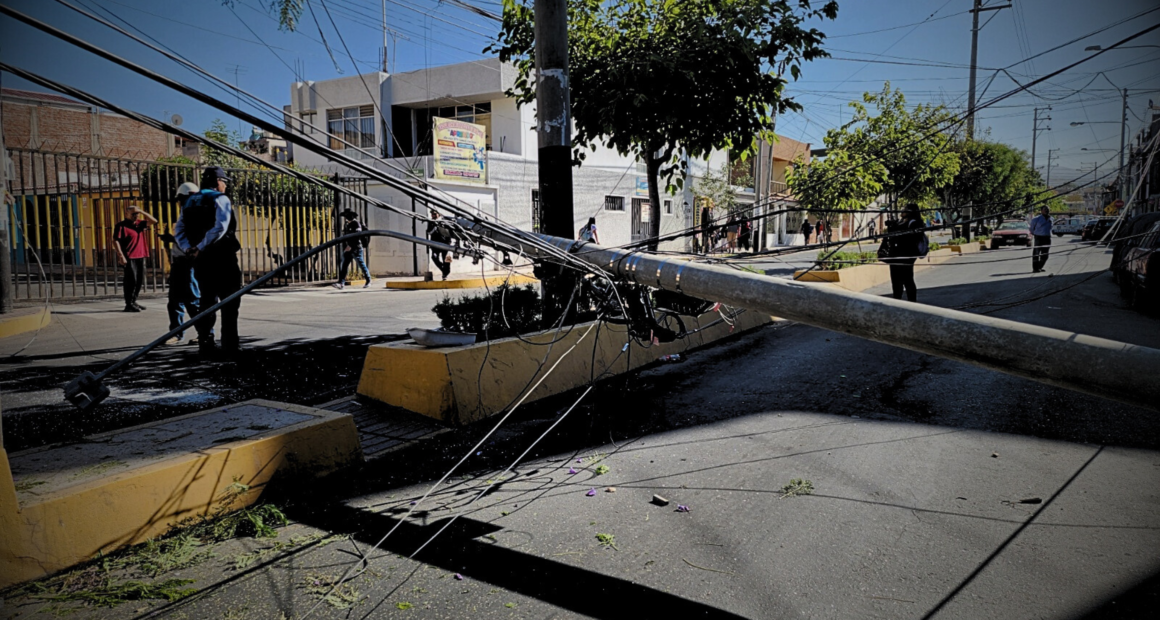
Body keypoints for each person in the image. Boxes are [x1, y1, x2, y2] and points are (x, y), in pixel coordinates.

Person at [175, 166, 243, 358]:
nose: (225, 186)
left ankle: (206, 343)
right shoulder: (220, 198)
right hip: (223, 258)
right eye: (224, 181)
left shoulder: (190, 201)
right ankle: (230, 345)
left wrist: (189, 248)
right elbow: (220, 227)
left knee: (207, 301)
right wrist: (201, 246)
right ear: (217, 182)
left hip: (201, 261)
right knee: (230, 302)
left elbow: (179, 229)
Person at [162, 182, 202, 345]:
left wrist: (173, 240)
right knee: (174, 301)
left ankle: (204, 332)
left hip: (189, 262)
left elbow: (193, 241)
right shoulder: (184, 214)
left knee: (192, 300)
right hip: (178, 262)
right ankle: (176, 333)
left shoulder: (196, 216)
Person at [113, 203, 158, 312]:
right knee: (131, 280)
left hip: (140, 255)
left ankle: (133, 301)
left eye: (137, 214)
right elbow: (115, 241)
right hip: (129, 256)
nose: (136, 216)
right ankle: (129, 304)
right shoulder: (121, 226)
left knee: (139, 280)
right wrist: (121, 256)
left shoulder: (139, 224)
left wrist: (141, 211)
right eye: (133, 214)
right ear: (126, 214)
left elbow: (154, 221)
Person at [883, 203, 924, 302]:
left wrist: (895, 227)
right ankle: (897, 301)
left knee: (907, 280)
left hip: (905, 256)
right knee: (896, 282)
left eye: (905, 209)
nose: (902, 211)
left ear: (910, 212)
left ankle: (911, 303)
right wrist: (892, 226)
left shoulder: (914, 223)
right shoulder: (903, 222)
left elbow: (908, 239)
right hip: (896, 255)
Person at [335, 210, 372, 289]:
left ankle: (368, 280)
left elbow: (357, 236)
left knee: (361, 264)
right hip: (349, 248)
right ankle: (341, 283)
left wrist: (351, 246)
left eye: (348, 215)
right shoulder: (347, 224)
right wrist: (346, 246)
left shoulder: (356, 223)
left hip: (356, 248)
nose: (346, 217)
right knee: (344, 265)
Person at [426, 210, 452, 280]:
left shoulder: (444, 221)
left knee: (447, 259)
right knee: (434, 257)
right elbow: (429, 232)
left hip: (445, 243)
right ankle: (443, 269)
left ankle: (446, 273)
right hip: (435, 244)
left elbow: (449, 232)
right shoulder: (431, 222)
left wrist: (449, 242)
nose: (433, 215)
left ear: (439, 214)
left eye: (434, 214)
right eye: (432, 214)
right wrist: (434, 227)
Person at [1029, 205, 1053, 273]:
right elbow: (1032, 229)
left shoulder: (1051, 219)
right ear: (1041, 210)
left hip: (1047, 238)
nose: (1047, 211)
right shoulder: (1036, 219)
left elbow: (1051, 228)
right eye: (1045, 209)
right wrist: (1036, 234)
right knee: (1036, 253)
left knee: (1045, 254)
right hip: (1038, 237)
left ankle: (1039, 267)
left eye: (1048, 209)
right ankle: (1035, 268)